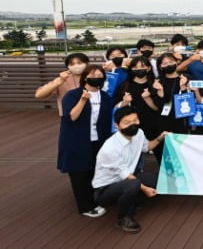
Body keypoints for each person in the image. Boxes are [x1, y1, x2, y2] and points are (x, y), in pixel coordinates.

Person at [92, 106, 169, 233]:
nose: (132, 125)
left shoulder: (139, 133)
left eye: (135, 120)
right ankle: (123, 218)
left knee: (160, 178)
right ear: (117, 125)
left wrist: (161, 137)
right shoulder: (110, 148)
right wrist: (145, 189)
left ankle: (134, 200)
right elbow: (126, 175)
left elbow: (147, 147)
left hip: (129, 178)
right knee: (134, 184)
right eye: (127, 123)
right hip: (106, 189)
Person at [59, 65, 112, 218]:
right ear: (85, 77)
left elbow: (107, 118)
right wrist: (83, 100)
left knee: (93, 171)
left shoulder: (106, 97)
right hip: (76, 140)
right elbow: (71, 117)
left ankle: (94, 200)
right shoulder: (72, 95)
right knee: (79, 173)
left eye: (100, 75)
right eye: (92, 74)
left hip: (98, 140)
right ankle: (85, 207)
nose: (96, 77)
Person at [115, 56, 161, 150]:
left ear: (148, 68)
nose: (139, 69)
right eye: (135, 67)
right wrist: (125, 102)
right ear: (131, 69)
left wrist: (147, 98)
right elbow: (115, 107)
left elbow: (157, 108)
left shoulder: (155, 85)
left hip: (153, 125)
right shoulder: (125, 85)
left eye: (142, 66)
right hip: (132, 126)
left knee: (159, 151)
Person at [152, 53, 190, 162]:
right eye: (164, 63)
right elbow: (158, 105)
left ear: (177, 63)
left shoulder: (184, 79)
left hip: (180, 121)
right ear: (160, 66)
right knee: (166, 154)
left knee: (181, 153)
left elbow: (188, 103)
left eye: (171, 62)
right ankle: (167, 177)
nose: (168, 65)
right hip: (163, 121)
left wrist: (183, 88)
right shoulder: (158, 82)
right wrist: (160, 91)